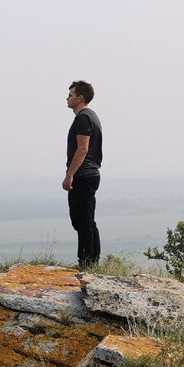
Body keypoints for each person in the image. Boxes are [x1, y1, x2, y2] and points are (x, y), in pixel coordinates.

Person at [62, 80, 102, 268]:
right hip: (90, 173)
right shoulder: (91, 116)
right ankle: (92, 261)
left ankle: (86, 263)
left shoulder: (83, 118)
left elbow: (82, 149)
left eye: (70, 95)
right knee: (87, 220)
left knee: (81, 220)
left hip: (83, 174)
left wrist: (70, 174)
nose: (67, 98)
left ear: (80, 98)